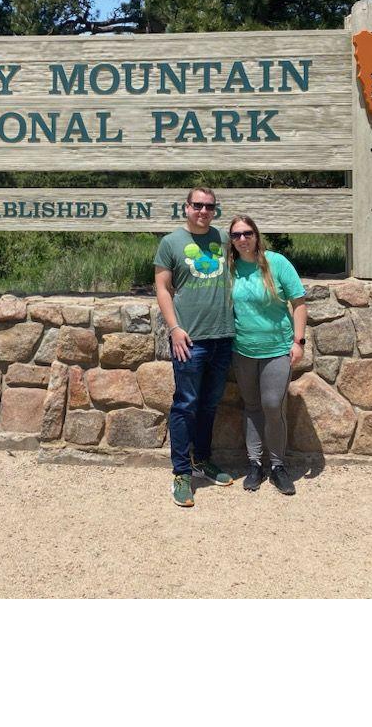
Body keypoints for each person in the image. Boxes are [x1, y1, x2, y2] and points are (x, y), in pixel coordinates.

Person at [154, 186, 235, 508]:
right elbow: (161, 288)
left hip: (223, 336)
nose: (203, 211)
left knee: (210, 404)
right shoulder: (171, 242)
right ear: (186, 208)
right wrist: (174, 328)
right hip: (190, 339)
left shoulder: (224, 239)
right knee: (185, 404)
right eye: (198, 205)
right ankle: (181, 473)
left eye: (209, 206)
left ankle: (202, 460)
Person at [227, 215, 307, 495]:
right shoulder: (230, 268)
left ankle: (277, 465)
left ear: (257, 235)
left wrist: (299, 342)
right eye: (236, 235)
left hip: (276, 349)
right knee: (251, 406)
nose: (242, 239)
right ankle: (254, 464)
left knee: (272, 405)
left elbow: (298, 302)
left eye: (247, 233)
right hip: (243, 350)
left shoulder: (277, 263)